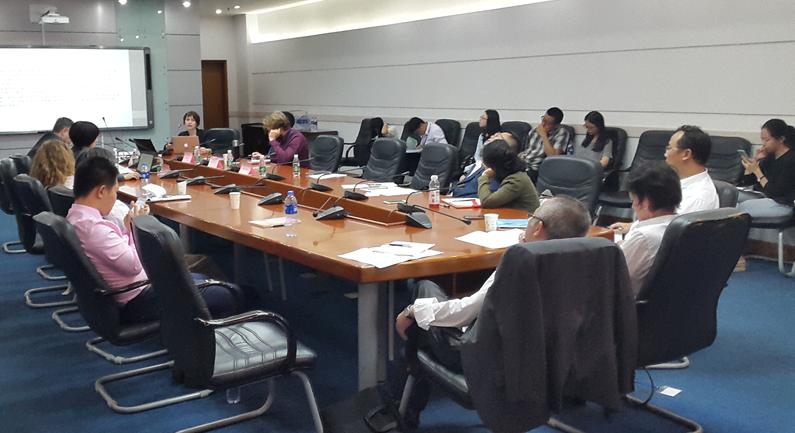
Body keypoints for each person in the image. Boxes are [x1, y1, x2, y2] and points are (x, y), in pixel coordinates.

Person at [396, 196, 592, 429]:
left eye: (531, 217)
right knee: (429, 306)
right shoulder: (585, 264)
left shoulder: (519, 262)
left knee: (424, 292)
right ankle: (406, 402)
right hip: (542, 361)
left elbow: (465, 312)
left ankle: (403, 410)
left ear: (538, 227)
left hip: (482, 360)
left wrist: (411, 311)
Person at [67, 156, 243, 324]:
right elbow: (133, 266)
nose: (115, 197)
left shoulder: (77, 217)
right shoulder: (93, 228)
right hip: (137, 299)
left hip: (136, 288)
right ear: (101, 191)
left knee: (205, 279)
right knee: (228, 294)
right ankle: (211, 338)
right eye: (115, 191)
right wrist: (134, 227)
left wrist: (127, 228)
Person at [610, 125, 719, 234]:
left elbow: (666, 230)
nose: (665, 154)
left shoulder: (698, 197)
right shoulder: (676, 182)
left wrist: (634, 230)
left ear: (686, 154)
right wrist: (632, 226)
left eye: (669, 148)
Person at [611, 162, 682, 296]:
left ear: (645, 202)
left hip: (631, 303)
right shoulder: (682, 225)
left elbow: (616, 277)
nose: (633, 206)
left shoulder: (644, 236)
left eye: (633, 199)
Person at [737, 119, 795, 217]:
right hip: (763, 196)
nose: (764, 144)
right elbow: (746, 182)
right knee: (731, 196)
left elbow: (775, 192)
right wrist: (755, 161)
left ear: (781, 139)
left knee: (741, 208)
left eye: (767, 140)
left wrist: (757, 171)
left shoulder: (790, 160)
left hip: (781, 203)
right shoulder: (770, 157)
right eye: (762, 140)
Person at [478, 139, 540, 212]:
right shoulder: (516, 175)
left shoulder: (516, 181)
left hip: (526, 218)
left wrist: (484, 176)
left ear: (494, 166)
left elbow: (486, 202)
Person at [452, 132, 518, 198]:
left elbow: (488, 195)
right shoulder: (480, 163)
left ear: (503, 147)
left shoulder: (498, 171)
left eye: (497, 136)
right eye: (494, 134)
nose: (491, 136)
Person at [518, 107, 572, 182]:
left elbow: (553, 157)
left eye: (547, 123)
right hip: (522, 163)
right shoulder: (534, 130)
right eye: (543, 120)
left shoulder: (562, 133)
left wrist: (544, 135)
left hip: (535, 169)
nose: (543, 124)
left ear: (556, 125)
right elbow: (526, 150)